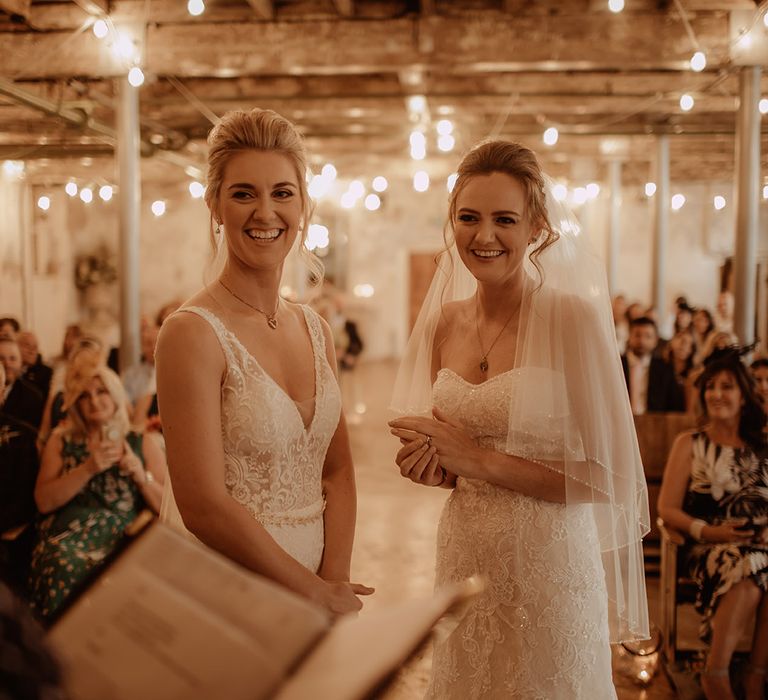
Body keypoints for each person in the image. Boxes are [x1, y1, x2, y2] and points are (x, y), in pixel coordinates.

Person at [389, 140, 649, 698]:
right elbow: (455, 464)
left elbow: (610, 478)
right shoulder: (445, 324)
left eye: (504, 219)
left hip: (550, 568)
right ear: (452, 223)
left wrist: (478, 459)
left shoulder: (573, 320)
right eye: (469, 218)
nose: (484, 237)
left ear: (536, 227)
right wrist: (434, 466)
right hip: (464, 556)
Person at [155, 107, 372, 617]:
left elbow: (337, 470)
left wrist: (334, 579)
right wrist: (311, 590)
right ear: (215, 205)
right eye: (243, 193)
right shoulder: (191, 333)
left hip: (317, 592)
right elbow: (203, 505)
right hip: (228, 591)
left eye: (282, 193)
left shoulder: (315, 330)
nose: (265, 212)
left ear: (303, 207)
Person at [658, 348, 768, 700]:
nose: (716, 394)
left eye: (727, 387)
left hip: (761, 543)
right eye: (710, 387)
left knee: (760, 561)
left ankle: (755, 673)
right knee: (750, 567)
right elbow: (667, 509)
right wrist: (709, 532)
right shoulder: (690, 444)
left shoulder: (761, 448)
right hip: (708, 545)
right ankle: (716, 671)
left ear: (744, 396)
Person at [28, 364, 166, 620]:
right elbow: (43, 502)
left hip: (120, 536)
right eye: (84, 395)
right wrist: (88, 468)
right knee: (62, 562)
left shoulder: (140, 440)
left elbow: (166, 509)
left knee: (122, 569)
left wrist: (139, 474)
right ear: (76, 403)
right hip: (67, 535)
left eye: (101, 391)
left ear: (115, 394)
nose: (93, 401)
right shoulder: (62, 440)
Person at [621, 316, 686, 414]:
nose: (642, 341)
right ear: (629, 337)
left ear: (655, 340)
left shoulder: (665, 368)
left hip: (655, 423)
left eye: (648, 336)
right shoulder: (618, 365)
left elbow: (675, 404)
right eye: (637, 335)